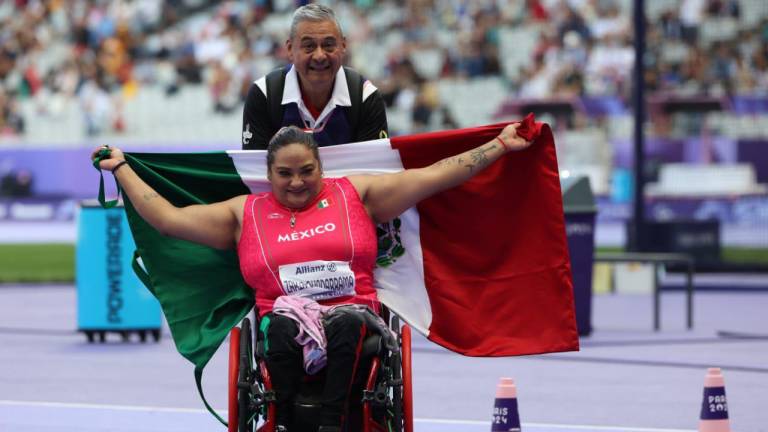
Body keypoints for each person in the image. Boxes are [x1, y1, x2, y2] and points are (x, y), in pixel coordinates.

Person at [92, 123, 531, 431]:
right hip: (282, 325)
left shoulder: (355, 194)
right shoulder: (243, 214)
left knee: (347, 323)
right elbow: (168, 219)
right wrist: (122, 168)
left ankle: (331, 423)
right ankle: (284, 422)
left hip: (354, 319)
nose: (297, 182)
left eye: (307, 171)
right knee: (281, 325)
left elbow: (436, 175)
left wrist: (499, 145)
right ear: (268, 176)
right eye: (285, 174)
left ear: (322, 167)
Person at [241, 4, 388, 150]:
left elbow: (375, 171)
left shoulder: (366, 97)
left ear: (343, 46)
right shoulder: (263, 95)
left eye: (328, 45)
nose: (319, 56)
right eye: (309, 46)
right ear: (290, 49)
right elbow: (254, 171)